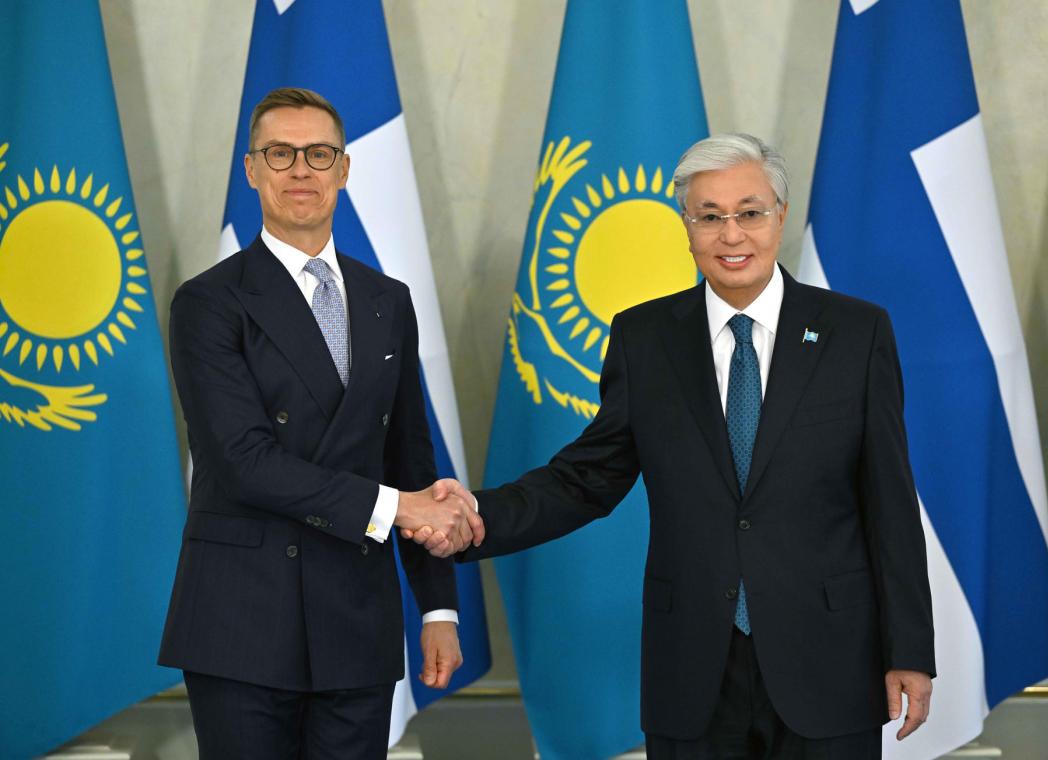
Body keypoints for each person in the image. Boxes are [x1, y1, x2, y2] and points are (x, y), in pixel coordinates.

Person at [416, 133, 935, 758]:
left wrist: (909, 650)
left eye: (749, 213)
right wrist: (476, 518)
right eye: (709, 217)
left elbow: (891, 505)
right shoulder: (645, 338)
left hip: (828, 657)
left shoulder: (856, 332)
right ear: (686, 229)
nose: (731, 235)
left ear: (780, 216)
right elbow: (587, 478)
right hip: (692, 667)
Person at [158, 87, 482, 760]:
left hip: (354, 617)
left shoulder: (386, 300)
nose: (300, 170)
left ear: (344, 169)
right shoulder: (207, 304)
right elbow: (244, 461)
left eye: (319, 153)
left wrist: (439, 609)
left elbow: (410, 457)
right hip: (242, 621)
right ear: (251, 170)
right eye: (281, 153)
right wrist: (400, 508)